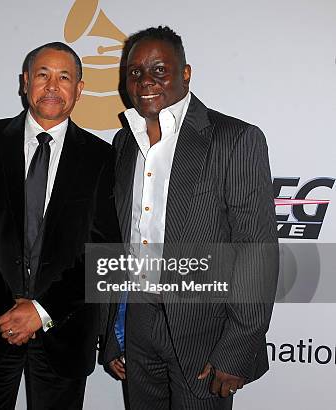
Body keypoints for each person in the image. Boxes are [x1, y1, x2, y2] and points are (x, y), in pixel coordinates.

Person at [102, 26, 279, 409]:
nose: (145, 81)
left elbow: (256, 250)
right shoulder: (122, 143)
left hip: (206, 331)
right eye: (134, 72)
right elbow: (120, 241)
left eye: (159, 70)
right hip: (137, 322)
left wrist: (237, 348)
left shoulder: (234, 139)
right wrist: (113, 328)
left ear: (186, 73)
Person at [0, 42, 121, 410]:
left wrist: (41, 311)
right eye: (43, 75)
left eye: (64, 77)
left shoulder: (103, 158)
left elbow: (104, 249)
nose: (52, 86)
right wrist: (3, 311)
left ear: (80, 88)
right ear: (25, 82)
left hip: (65, 329)